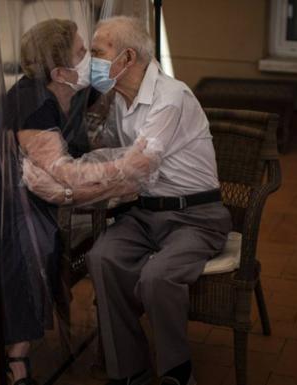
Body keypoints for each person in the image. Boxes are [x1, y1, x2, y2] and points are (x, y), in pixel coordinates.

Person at [0, 19, 149, 385]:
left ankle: (18, 356)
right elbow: (63, 175)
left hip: (32, 198)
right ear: (59, 70)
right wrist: (127, 169)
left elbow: (103, 86)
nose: (89, 57)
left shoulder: (68, 87)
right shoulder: (31, 104)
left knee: (37, 258)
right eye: (81, 52)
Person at [85, 16, 232, 385]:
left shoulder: (171, 96)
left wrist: (75, 185)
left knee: (157, 277)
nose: (91, 62)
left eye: (97, 52)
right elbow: (108, 153)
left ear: (127, 57)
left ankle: (177, 372)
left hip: (195, 215)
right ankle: (130, 371)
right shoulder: (119, 99)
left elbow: (137, 168)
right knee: (101, 258)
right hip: (143, 214)